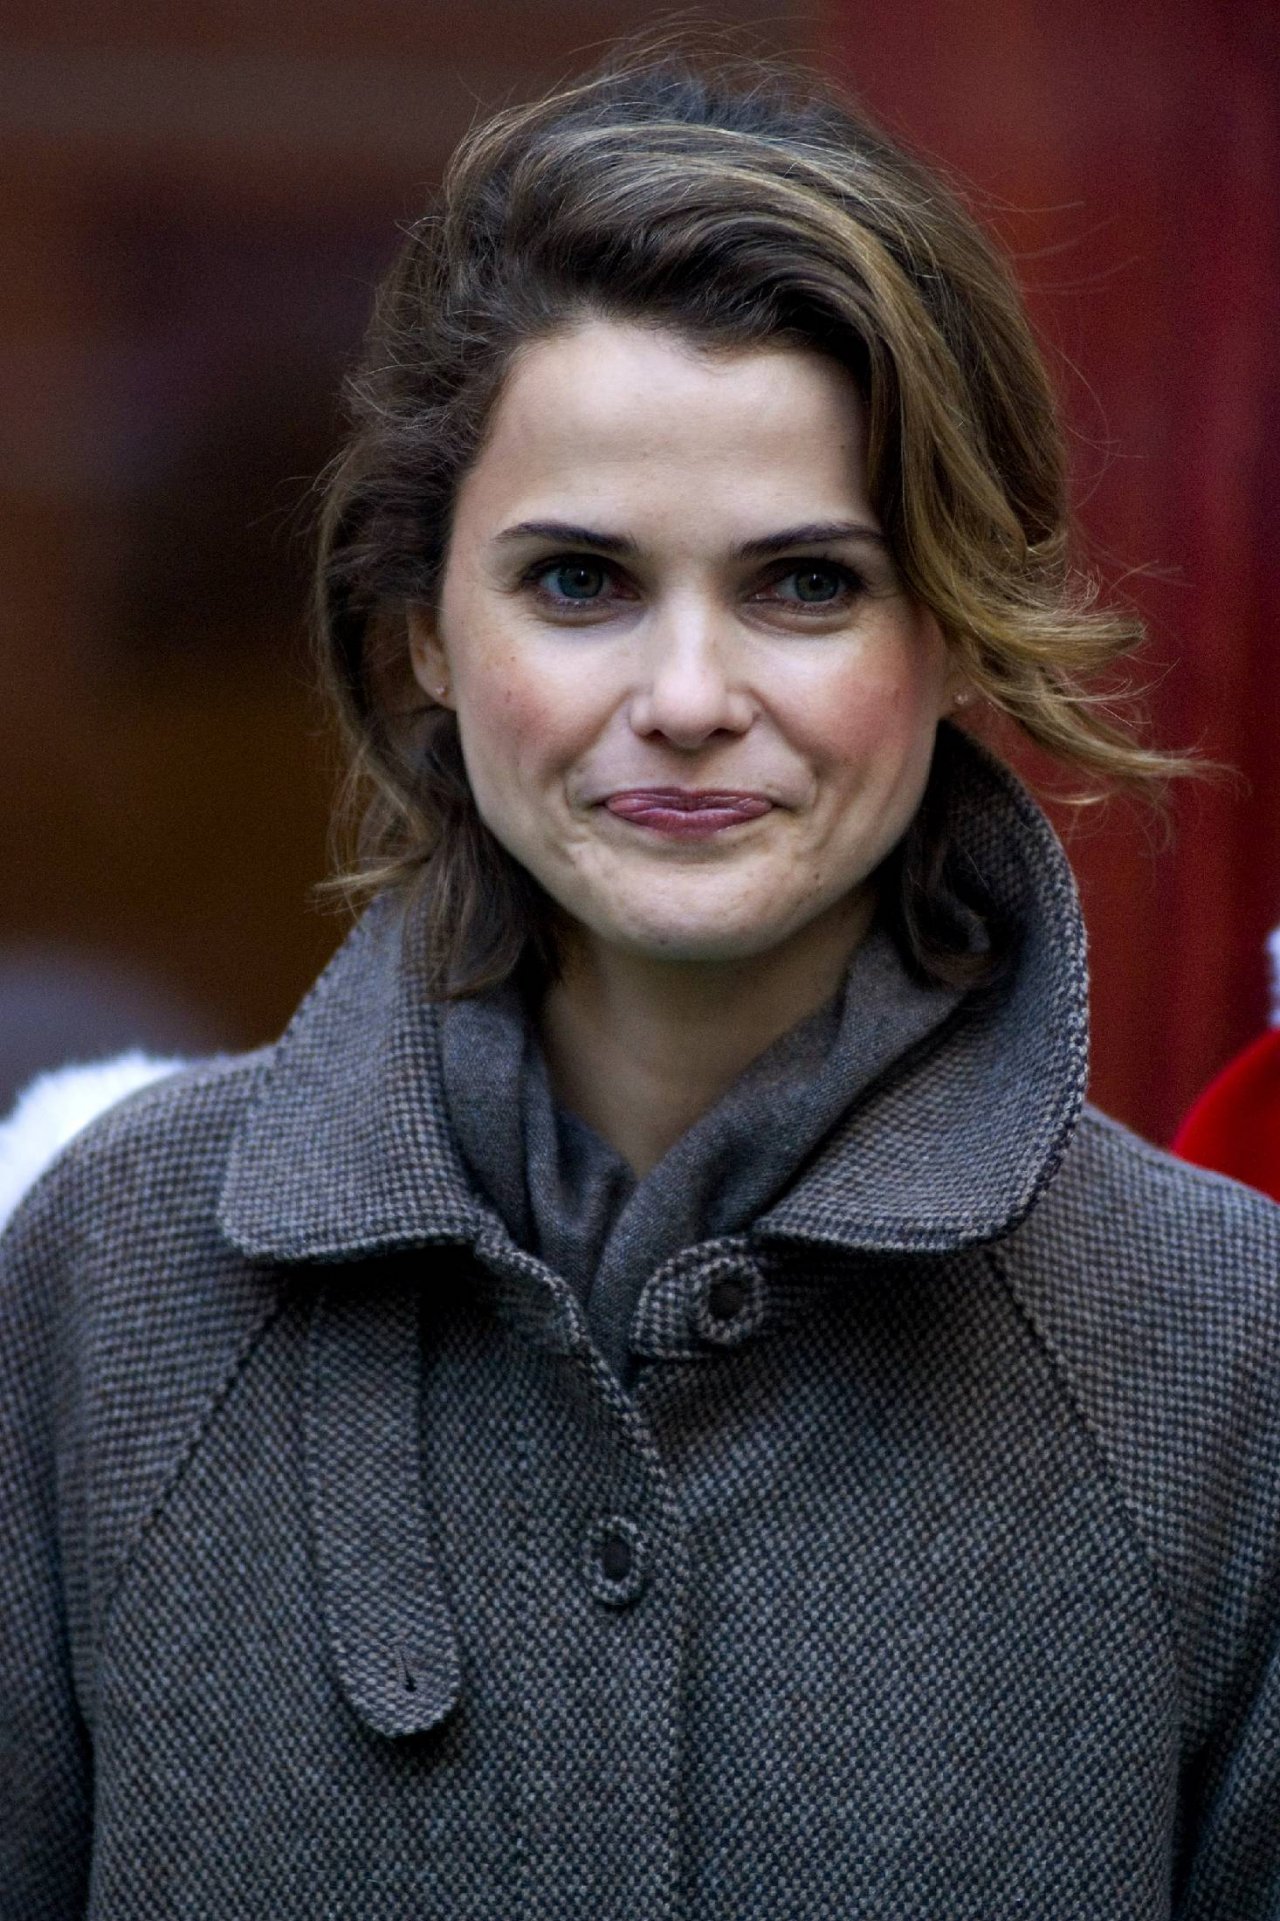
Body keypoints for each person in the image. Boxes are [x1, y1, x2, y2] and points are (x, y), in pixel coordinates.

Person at [3, 41, 1278, 1920]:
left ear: (953, 630)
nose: (687, 698)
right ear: (421, 633)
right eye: (581, 582)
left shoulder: (1228, 1357)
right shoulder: (108, 1278)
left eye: (805, 584)